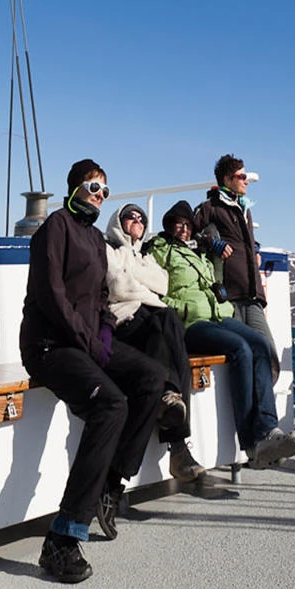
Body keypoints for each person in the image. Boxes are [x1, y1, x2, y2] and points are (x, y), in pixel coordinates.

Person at [20, 160, 167, 583]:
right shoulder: (57, 227)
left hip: (85, 342)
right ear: (74, 187)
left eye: (105, 190)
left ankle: (111, 483)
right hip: (49, 346)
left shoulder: (92, 237)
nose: (100, 195)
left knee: (150, 377)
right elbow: (51, 294)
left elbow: (102, 298)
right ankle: (62, 538)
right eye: (93, 187)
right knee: (112, 406)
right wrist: (88, 342)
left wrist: (104, 333)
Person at [151, 199, 295, 469]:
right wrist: (180, 308)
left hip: (218, 315)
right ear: (169, 227)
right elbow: (155, 291)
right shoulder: (161, 251)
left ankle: (269, 429)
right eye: (177, 225)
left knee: (259, 344)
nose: (183, 229)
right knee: (240, 349)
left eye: (187, 225)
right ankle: (251, 443)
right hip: (191, 324)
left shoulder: (200, 252)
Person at [104, 202, 208, 482]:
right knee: (164, 324)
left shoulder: (144, 256)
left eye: (141, 217)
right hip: (121, 321)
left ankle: (170, 401)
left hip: (147, 316)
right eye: (130, 216)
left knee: (169, 325)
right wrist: (142, 285)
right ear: (118, 221)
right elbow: (117, 286)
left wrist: (135, 279)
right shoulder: (108, 249)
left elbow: (162, 283)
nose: (136, 220)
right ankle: (178, 447)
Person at [193, 154, 275, 354]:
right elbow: (190, 234)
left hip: (252, 294)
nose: (246, 181)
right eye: (241, 176)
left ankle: (260, 387)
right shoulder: (210, 207)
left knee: (268, 351)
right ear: (227, 179)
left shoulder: (244, 208)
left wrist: (254, 247)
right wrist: (213, 244)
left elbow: (242, 239)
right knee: (242, 352)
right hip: (230, 297)